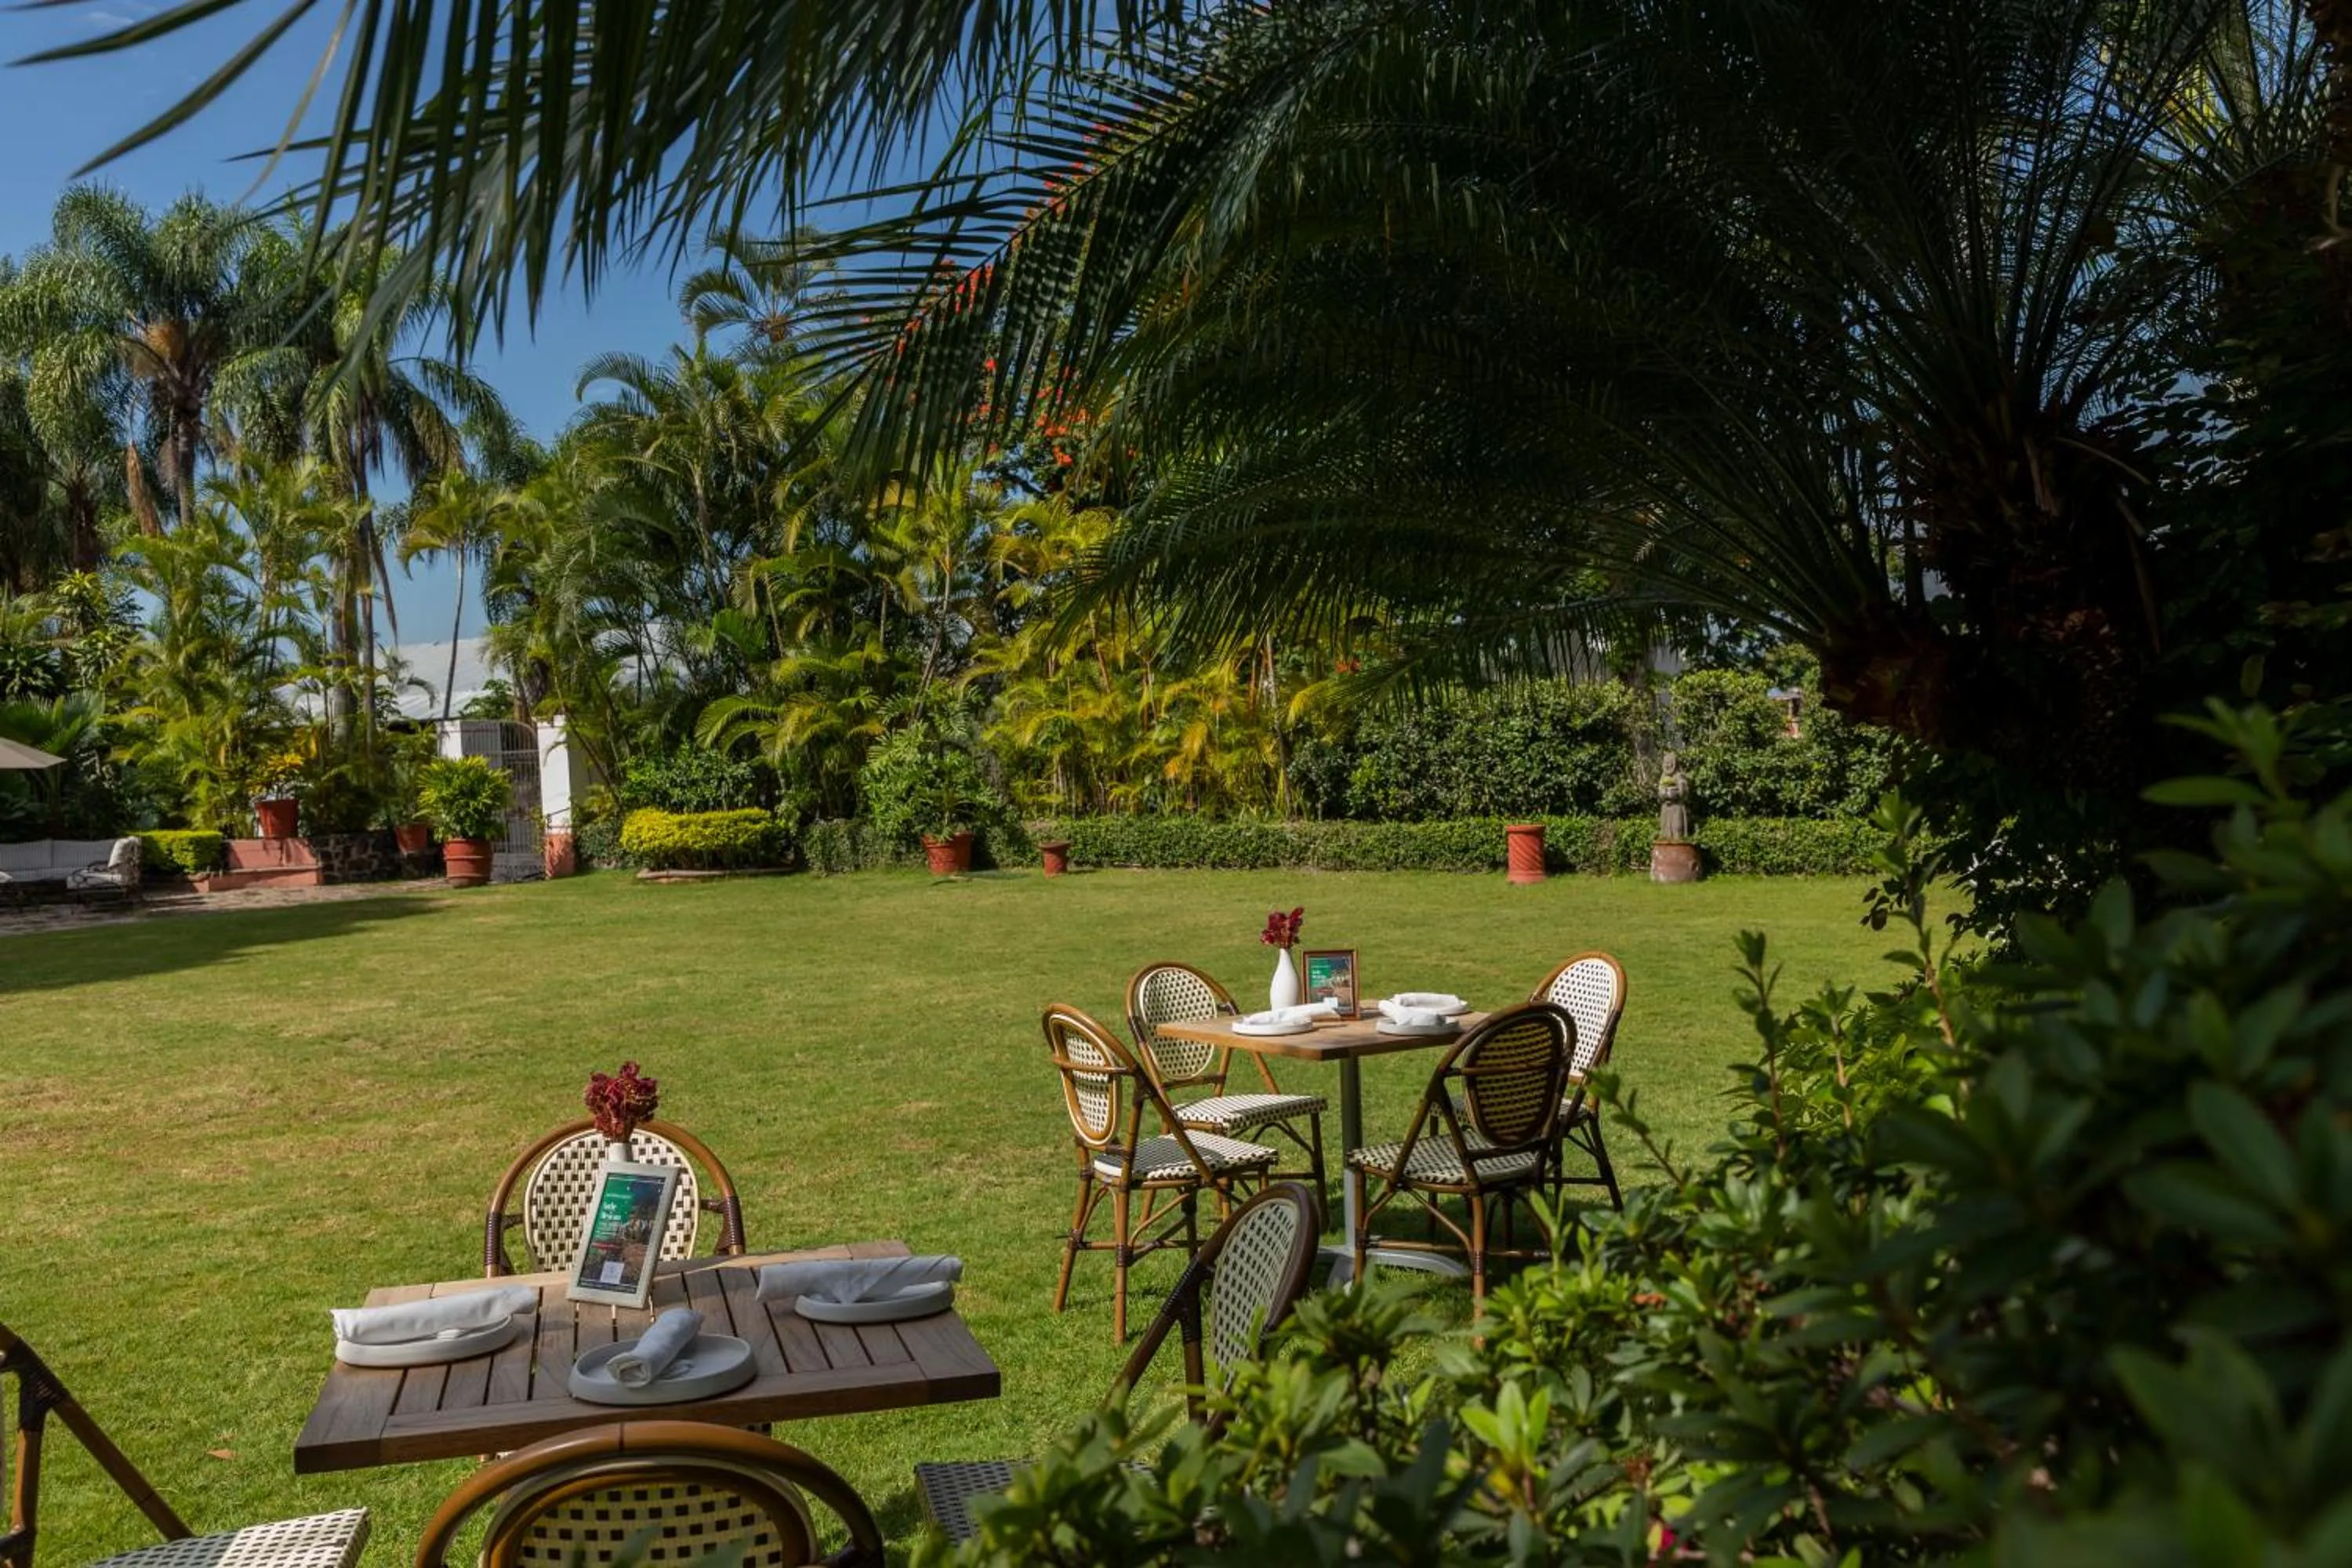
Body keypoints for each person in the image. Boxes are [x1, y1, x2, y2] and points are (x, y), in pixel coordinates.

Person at [1657, 751, 1692, 840]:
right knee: (1665, 829)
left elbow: (1683, 792)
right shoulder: (1663, 777)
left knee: (1677, 828)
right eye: (1666, 763)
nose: (1668, 765)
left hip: (1677, 807)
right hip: (1666, 807)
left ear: (1675, 764)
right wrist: (1663, 793)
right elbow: (1660, 790)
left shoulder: (1680, 776)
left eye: (1670, 763)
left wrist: (1676, 793)